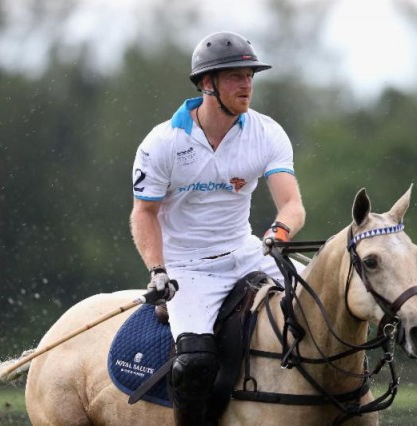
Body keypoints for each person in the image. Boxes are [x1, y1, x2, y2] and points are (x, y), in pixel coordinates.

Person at [130, 31, 306, 426]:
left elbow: (292, 204)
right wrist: (158, 271)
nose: (247, 85)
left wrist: (278, 233)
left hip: (247, 253)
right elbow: (144, 214)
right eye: (235, 76)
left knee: (323, 306)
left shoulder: (267, 132)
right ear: (207, 84)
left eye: (250, 76)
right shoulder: (162, 142)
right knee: (194, 363)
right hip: (188, 268)